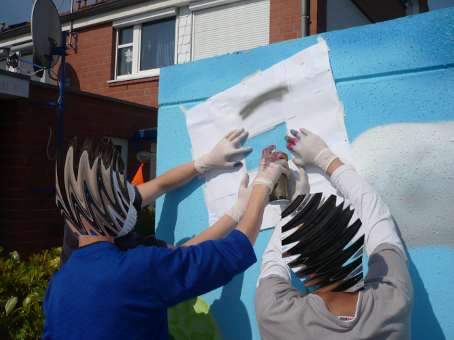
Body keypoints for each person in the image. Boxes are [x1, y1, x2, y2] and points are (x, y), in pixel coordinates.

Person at [43, 129, 292, 340]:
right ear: (110, 203)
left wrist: (203, 163)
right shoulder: (136, 270)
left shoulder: (57, 287)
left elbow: (160, 187)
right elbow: (233, 250)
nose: (133, 196)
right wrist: (262, 186)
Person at [255, 128, 413, 340]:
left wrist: (292, 205)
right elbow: (374, 213)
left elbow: (273, 261)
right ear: (359, 247)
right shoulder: (393, 299)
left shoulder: (275, 315)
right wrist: (323, 156)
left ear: (302, 269)